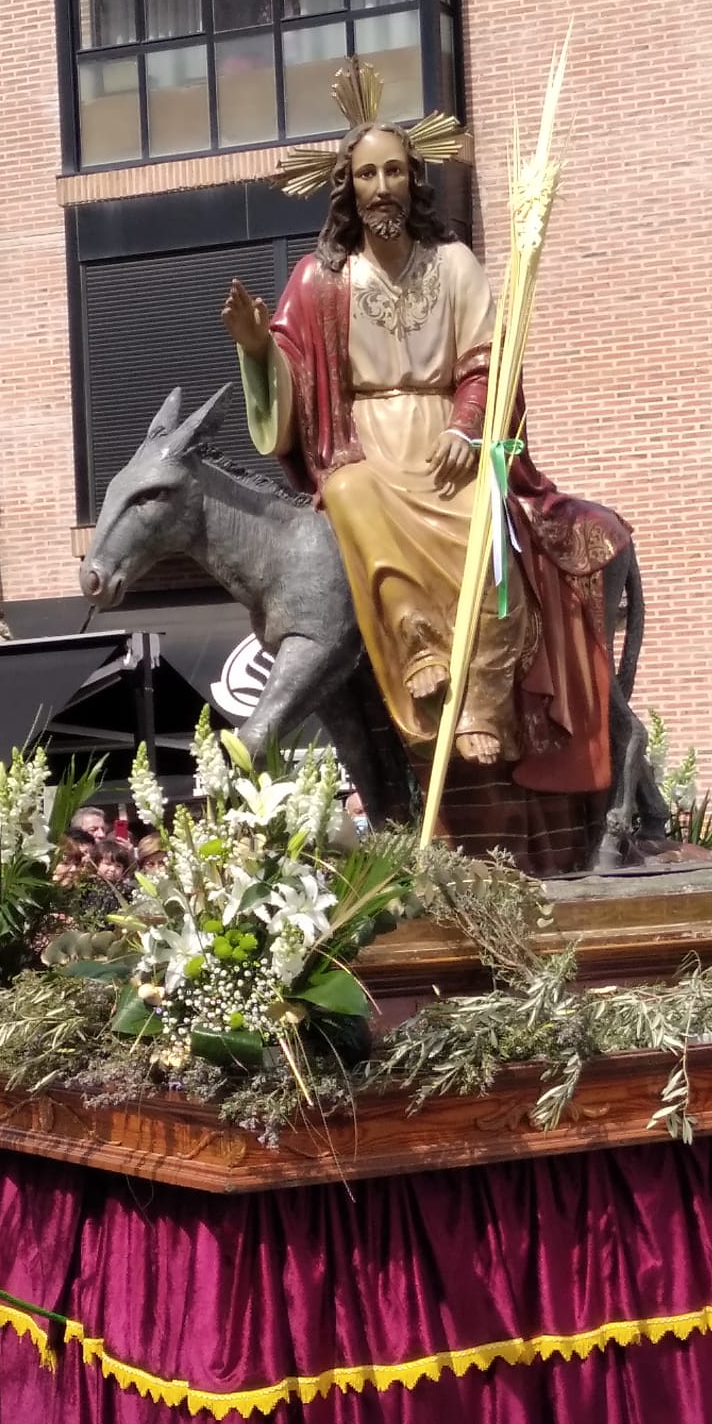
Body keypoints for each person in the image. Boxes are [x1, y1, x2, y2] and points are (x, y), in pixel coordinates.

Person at [225, 72, 632, 867]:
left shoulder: (452, 264)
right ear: (347, 187)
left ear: (416, 180)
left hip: (447, 441)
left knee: (494, 539)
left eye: (395, 171)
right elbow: (292, 372)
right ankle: (417, 651)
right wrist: (251, 346)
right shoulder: (322, 280)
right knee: (348, 493)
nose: (382, 187)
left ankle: (481, 697)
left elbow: (489, 357)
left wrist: (470, 428)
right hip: (364, 444)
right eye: (367, 174)